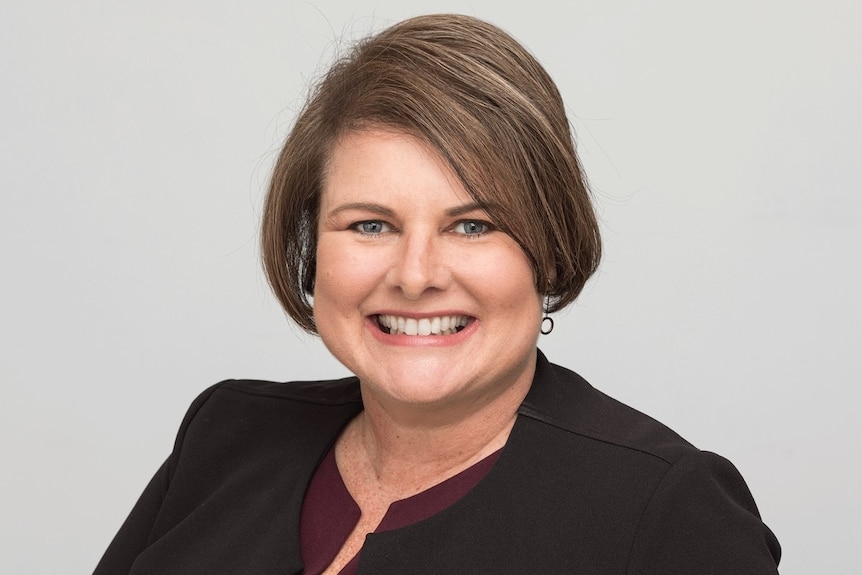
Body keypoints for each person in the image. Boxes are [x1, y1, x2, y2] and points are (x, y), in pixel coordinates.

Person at [94, 13, 781, 574]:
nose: (416, 273)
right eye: (370, 224)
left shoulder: (662, 509)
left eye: (473, 226)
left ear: (546, 249)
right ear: (311, 249)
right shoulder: (227, 434)